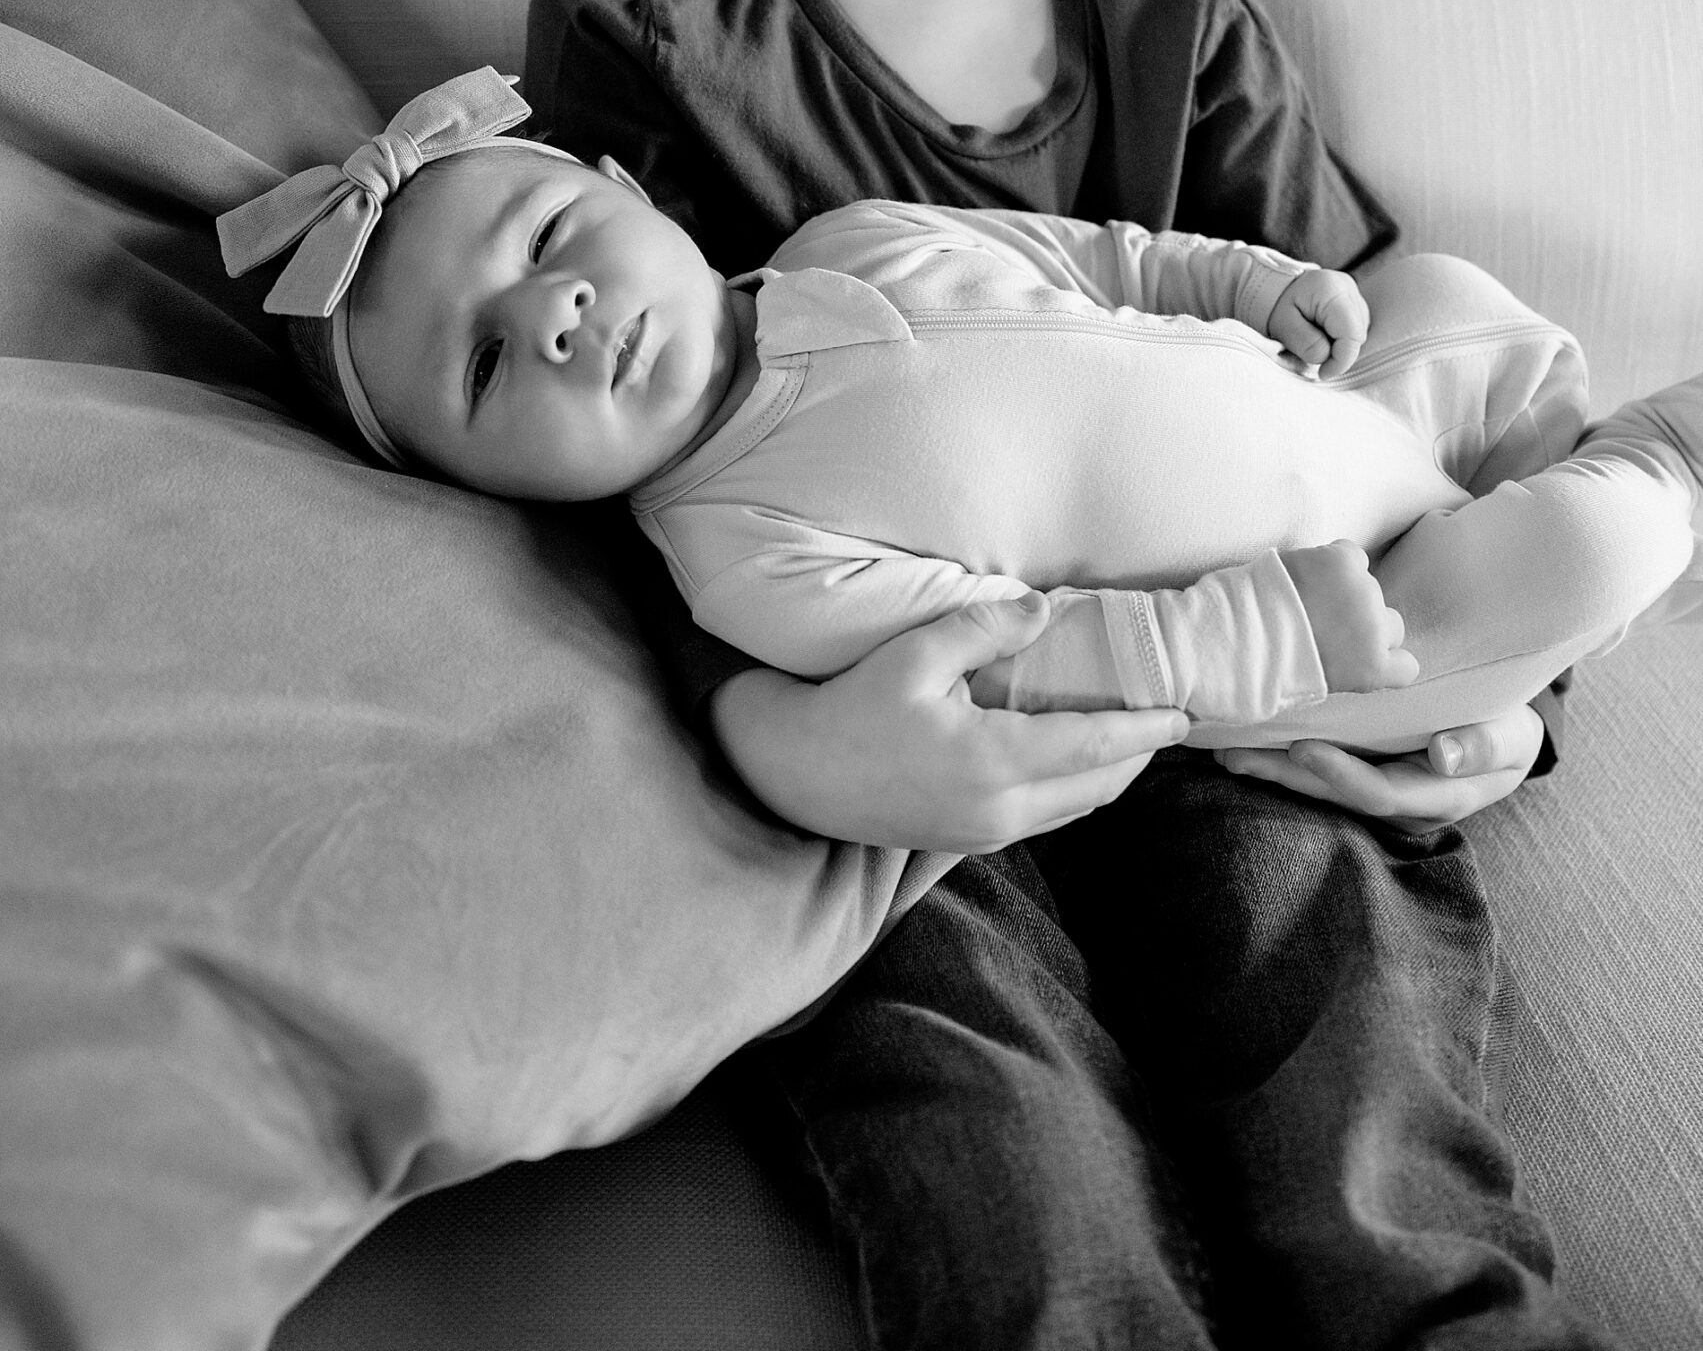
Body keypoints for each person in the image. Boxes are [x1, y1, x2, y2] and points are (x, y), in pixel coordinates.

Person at [512, 0, 1615, 1347]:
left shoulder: (1170, 17)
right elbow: (583, 423)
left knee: (1350, 1075)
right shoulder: (647, 17)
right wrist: (787, 732)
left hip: (1242, 678)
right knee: (974, 1117)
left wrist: (1482, 683)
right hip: (907, 726)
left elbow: (1363, 368)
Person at [219, 71, 1700, 1351]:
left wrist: (1247, 283)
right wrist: (1248, 630)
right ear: (483, 494)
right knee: (1581, 547)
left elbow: (1095, 260)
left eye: (549, 239)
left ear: (624, 184)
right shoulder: (741, 552)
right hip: (1333, 629)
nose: (557, 316)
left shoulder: (852, 240)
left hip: (1345, 418)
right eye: (485, 363)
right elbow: (1016, 653)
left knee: (1440, 296)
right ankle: (1667, 470)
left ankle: (1595, 468)